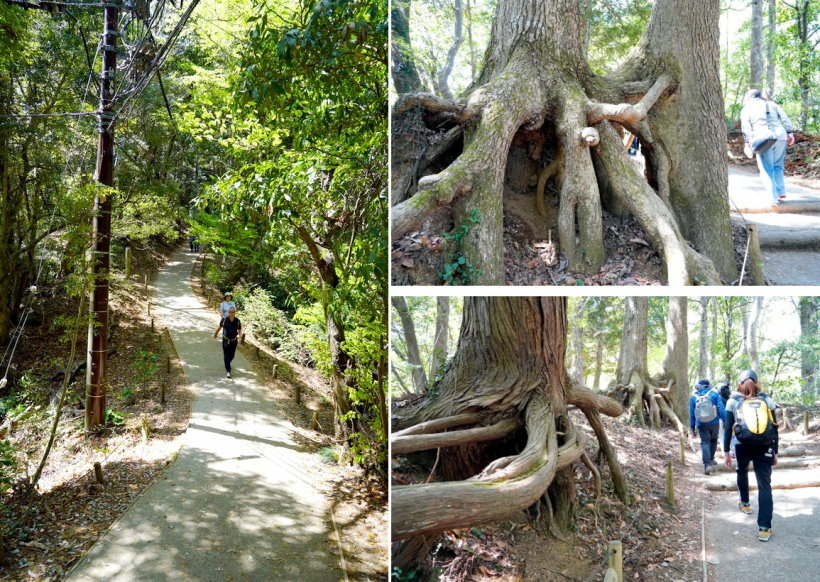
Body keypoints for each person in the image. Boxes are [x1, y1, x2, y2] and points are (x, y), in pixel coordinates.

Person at [724, 369, 778, 542]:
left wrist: (726, 452)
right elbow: (775, 427)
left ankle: (745, 504)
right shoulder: (766, 399)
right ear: (756, 382)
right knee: (764, 485)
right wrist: (775, 451)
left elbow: (727, 429)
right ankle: (764, 528)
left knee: (741, 470)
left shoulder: (733, 401)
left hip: (741, 444)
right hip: (765, 445)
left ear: (740, 384)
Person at [740, 89, 795, 205]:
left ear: (749, 98)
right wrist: (790, 133)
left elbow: (746, 128)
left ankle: (772, 198)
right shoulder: (772, 104)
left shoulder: (747, 109)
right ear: (761, 97)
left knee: (766, 169)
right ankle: (780, 192)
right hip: (780, 136)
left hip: (763, 138)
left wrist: (747, 144)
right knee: (778, 166)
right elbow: (784, 118)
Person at [689, 378, 726, 475]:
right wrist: (725, 421)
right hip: (714, 422)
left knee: (705, 442)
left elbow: (692, 414)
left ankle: (707, 465)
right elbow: (721, 408)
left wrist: (692, 427)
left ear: (699, 386)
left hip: (701, 423)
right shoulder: (714, 394)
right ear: (708, 385)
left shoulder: (693, 397)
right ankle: (711, 459)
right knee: (713, 440)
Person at [213, 307, 241, 378]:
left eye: (233, 312)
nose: (232, 313)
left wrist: (240, 337)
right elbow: (219, 327)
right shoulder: (224, 320)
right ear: (228, 312)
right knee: (226, 355)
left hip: (234, 341)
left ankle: (228, 363)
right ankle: (228, 371)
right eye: (230, 312)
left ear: (235, 312)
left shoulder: (237, 321)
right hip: (225, 340)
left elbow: (240, 330)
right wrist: (215, 334)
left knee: (232, 355)